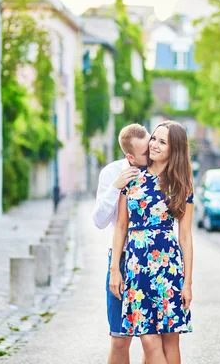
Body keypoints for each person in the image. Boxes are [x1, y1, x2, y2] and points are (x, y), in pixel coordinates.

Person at [109, 120, 194, 364]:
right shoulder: (133, 179)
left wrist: (187, 282)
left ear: (174, 149)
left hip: (168, 267)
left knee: (170, 340)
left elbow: (186, 236)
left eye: (162, 141)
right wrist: (115, 269)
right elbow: (121, 226)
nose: (154, 145)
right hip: (137, 266)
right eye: (154, 138)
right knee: (147, 339)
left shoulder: (181, 185)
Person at [93, 123, 151, 364]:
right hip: (123, 258)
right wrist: (116, 188)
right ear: (130, 156)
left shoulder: (160, 170)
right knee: (119, 337)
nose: (152, 152)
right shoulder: (111, 172)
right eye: (146, 152)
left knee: (151, 339)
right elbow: (99, 221)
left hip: (152, 260)